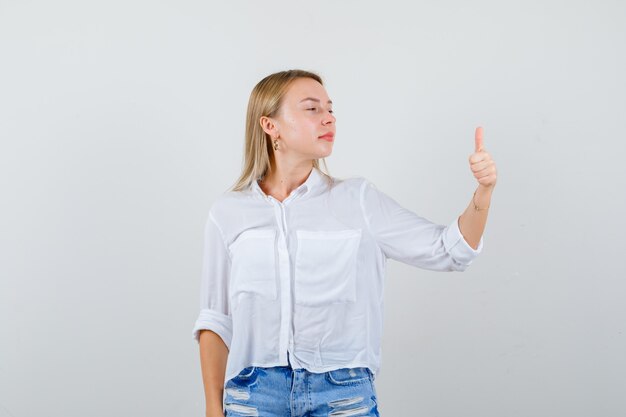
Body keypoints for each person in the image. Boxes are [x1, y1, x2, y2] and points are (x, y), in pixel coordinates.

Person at [192, 69, 497, 417]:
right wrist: (213, 409)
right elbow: (216, 320)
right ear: (270, 125)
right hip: (252, 400)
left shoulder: (358, 201)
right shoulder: (228, 213)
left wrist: (483, 193)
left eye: (330, 108)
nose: (328, 118)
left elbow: (451, 250)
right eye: (312, 109)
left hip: (342, 399)